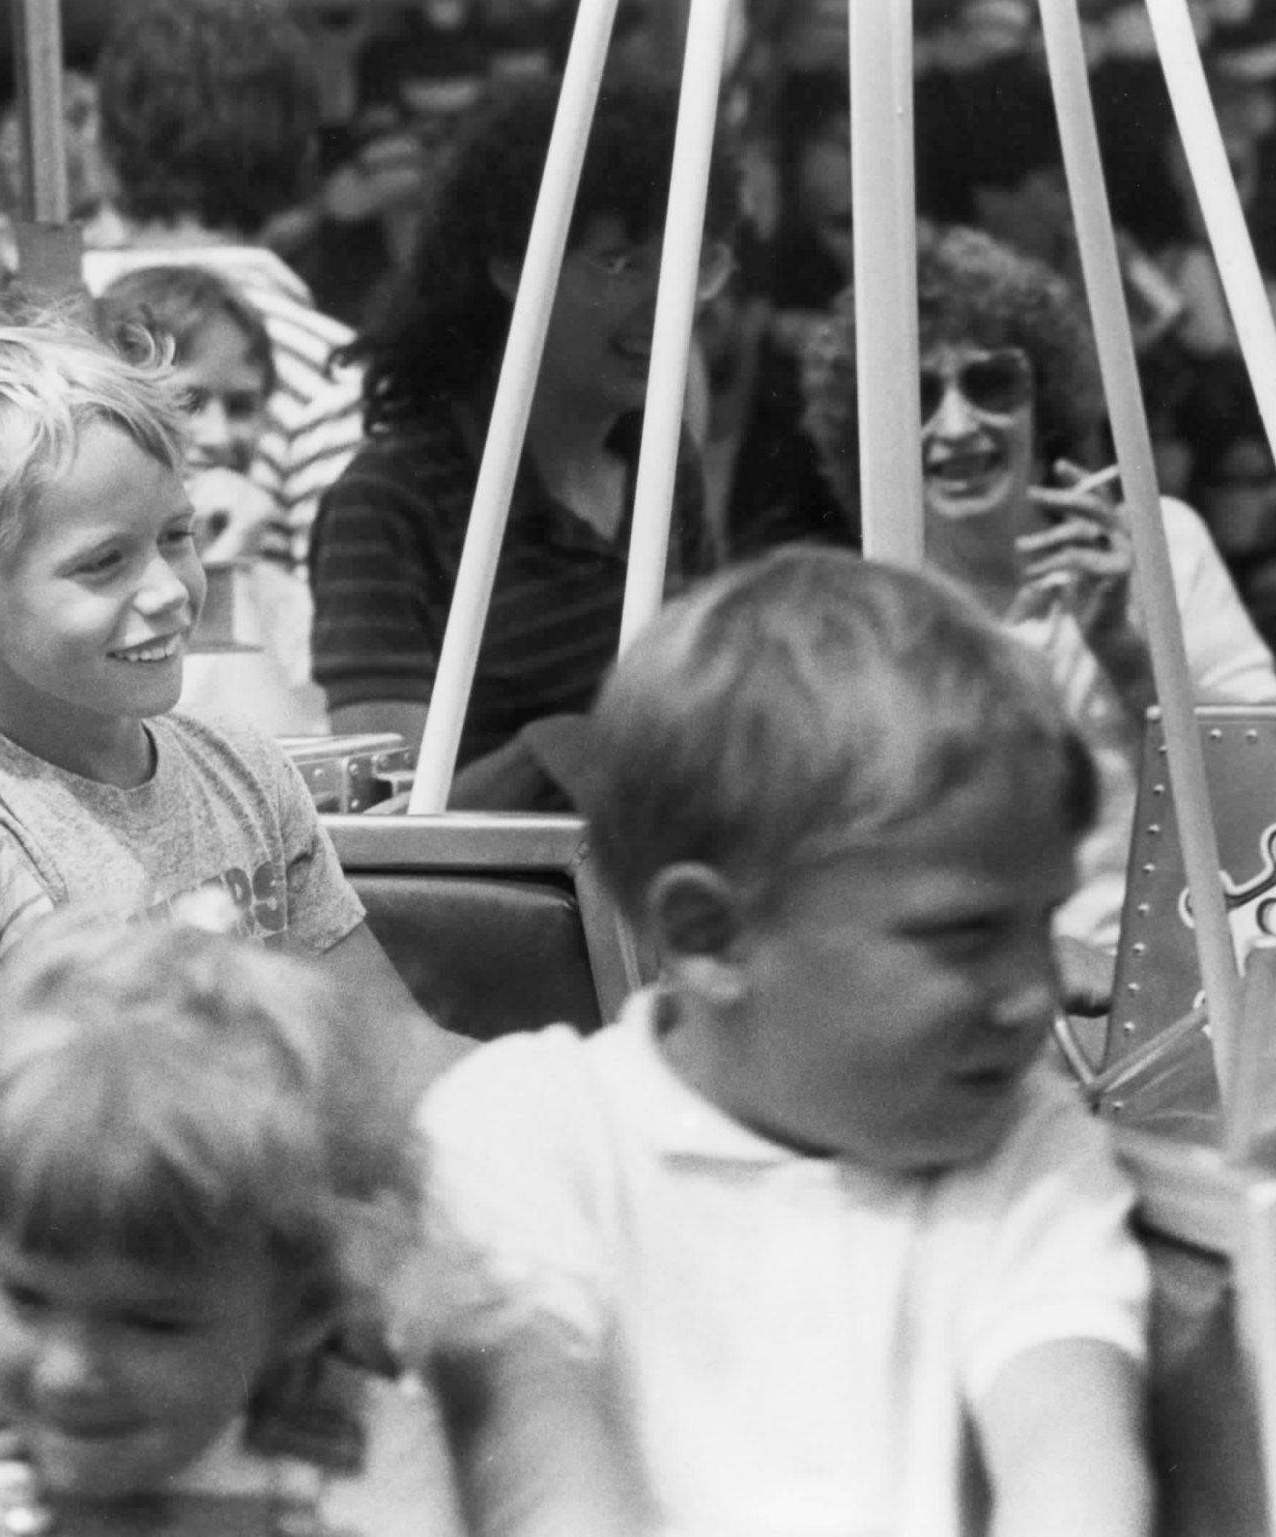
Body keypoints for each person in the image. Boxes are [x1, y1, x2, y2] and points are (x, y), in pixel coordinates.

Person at [420, 548, 1152, 1536]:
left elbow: (1072, 1462)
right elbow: (541, 1472)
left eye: (1045, 921)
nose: (1036, 993)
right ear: (709, 936)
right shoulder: (526, 1131)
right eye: (965, 933)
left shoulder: (1025, 1145)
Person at [0, 307, 467, 1108]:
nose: (167, 590)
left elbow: (386, 1043)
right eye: (105, 562)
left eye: (175, 536)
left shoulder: (244, 766)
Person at [0, 918, 465, 1536]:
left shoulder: (365, 1453)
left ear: (302, 1309)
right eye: (26, 1297)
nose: (68, 1372)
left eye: (153, 1322)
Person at [801, 225, 1276, 955]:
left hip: (1180, 975)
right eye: (917, 395)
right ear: (870, 428)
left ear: (1042, 401)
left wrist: (1126, 654)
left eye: (990, 384)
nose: (957, 426)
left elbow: (1264, 789)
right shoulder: (864, 624)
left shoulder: (1160, 546)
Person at [309, 79, 731, 808]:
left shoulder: (660, 463)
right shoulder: (391, 503)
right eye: (620, 263)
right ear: (511, 265)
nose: (664, 303)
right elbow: (388, 821)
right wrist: (555, 751)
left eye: (691, 263)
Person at [85, 0, 365, 576]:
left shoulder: (29, 346)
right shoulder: (335, 371)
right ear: (305, 154)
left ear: (105, 151)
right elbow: (344, 600)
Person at [95, 263, 329, 734]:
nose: (220, 437)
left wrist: (227, 566)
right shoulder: (84, 586)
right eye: (189, 402)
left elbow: (276, 757)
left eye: (242, 407)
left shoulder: (281, 598)